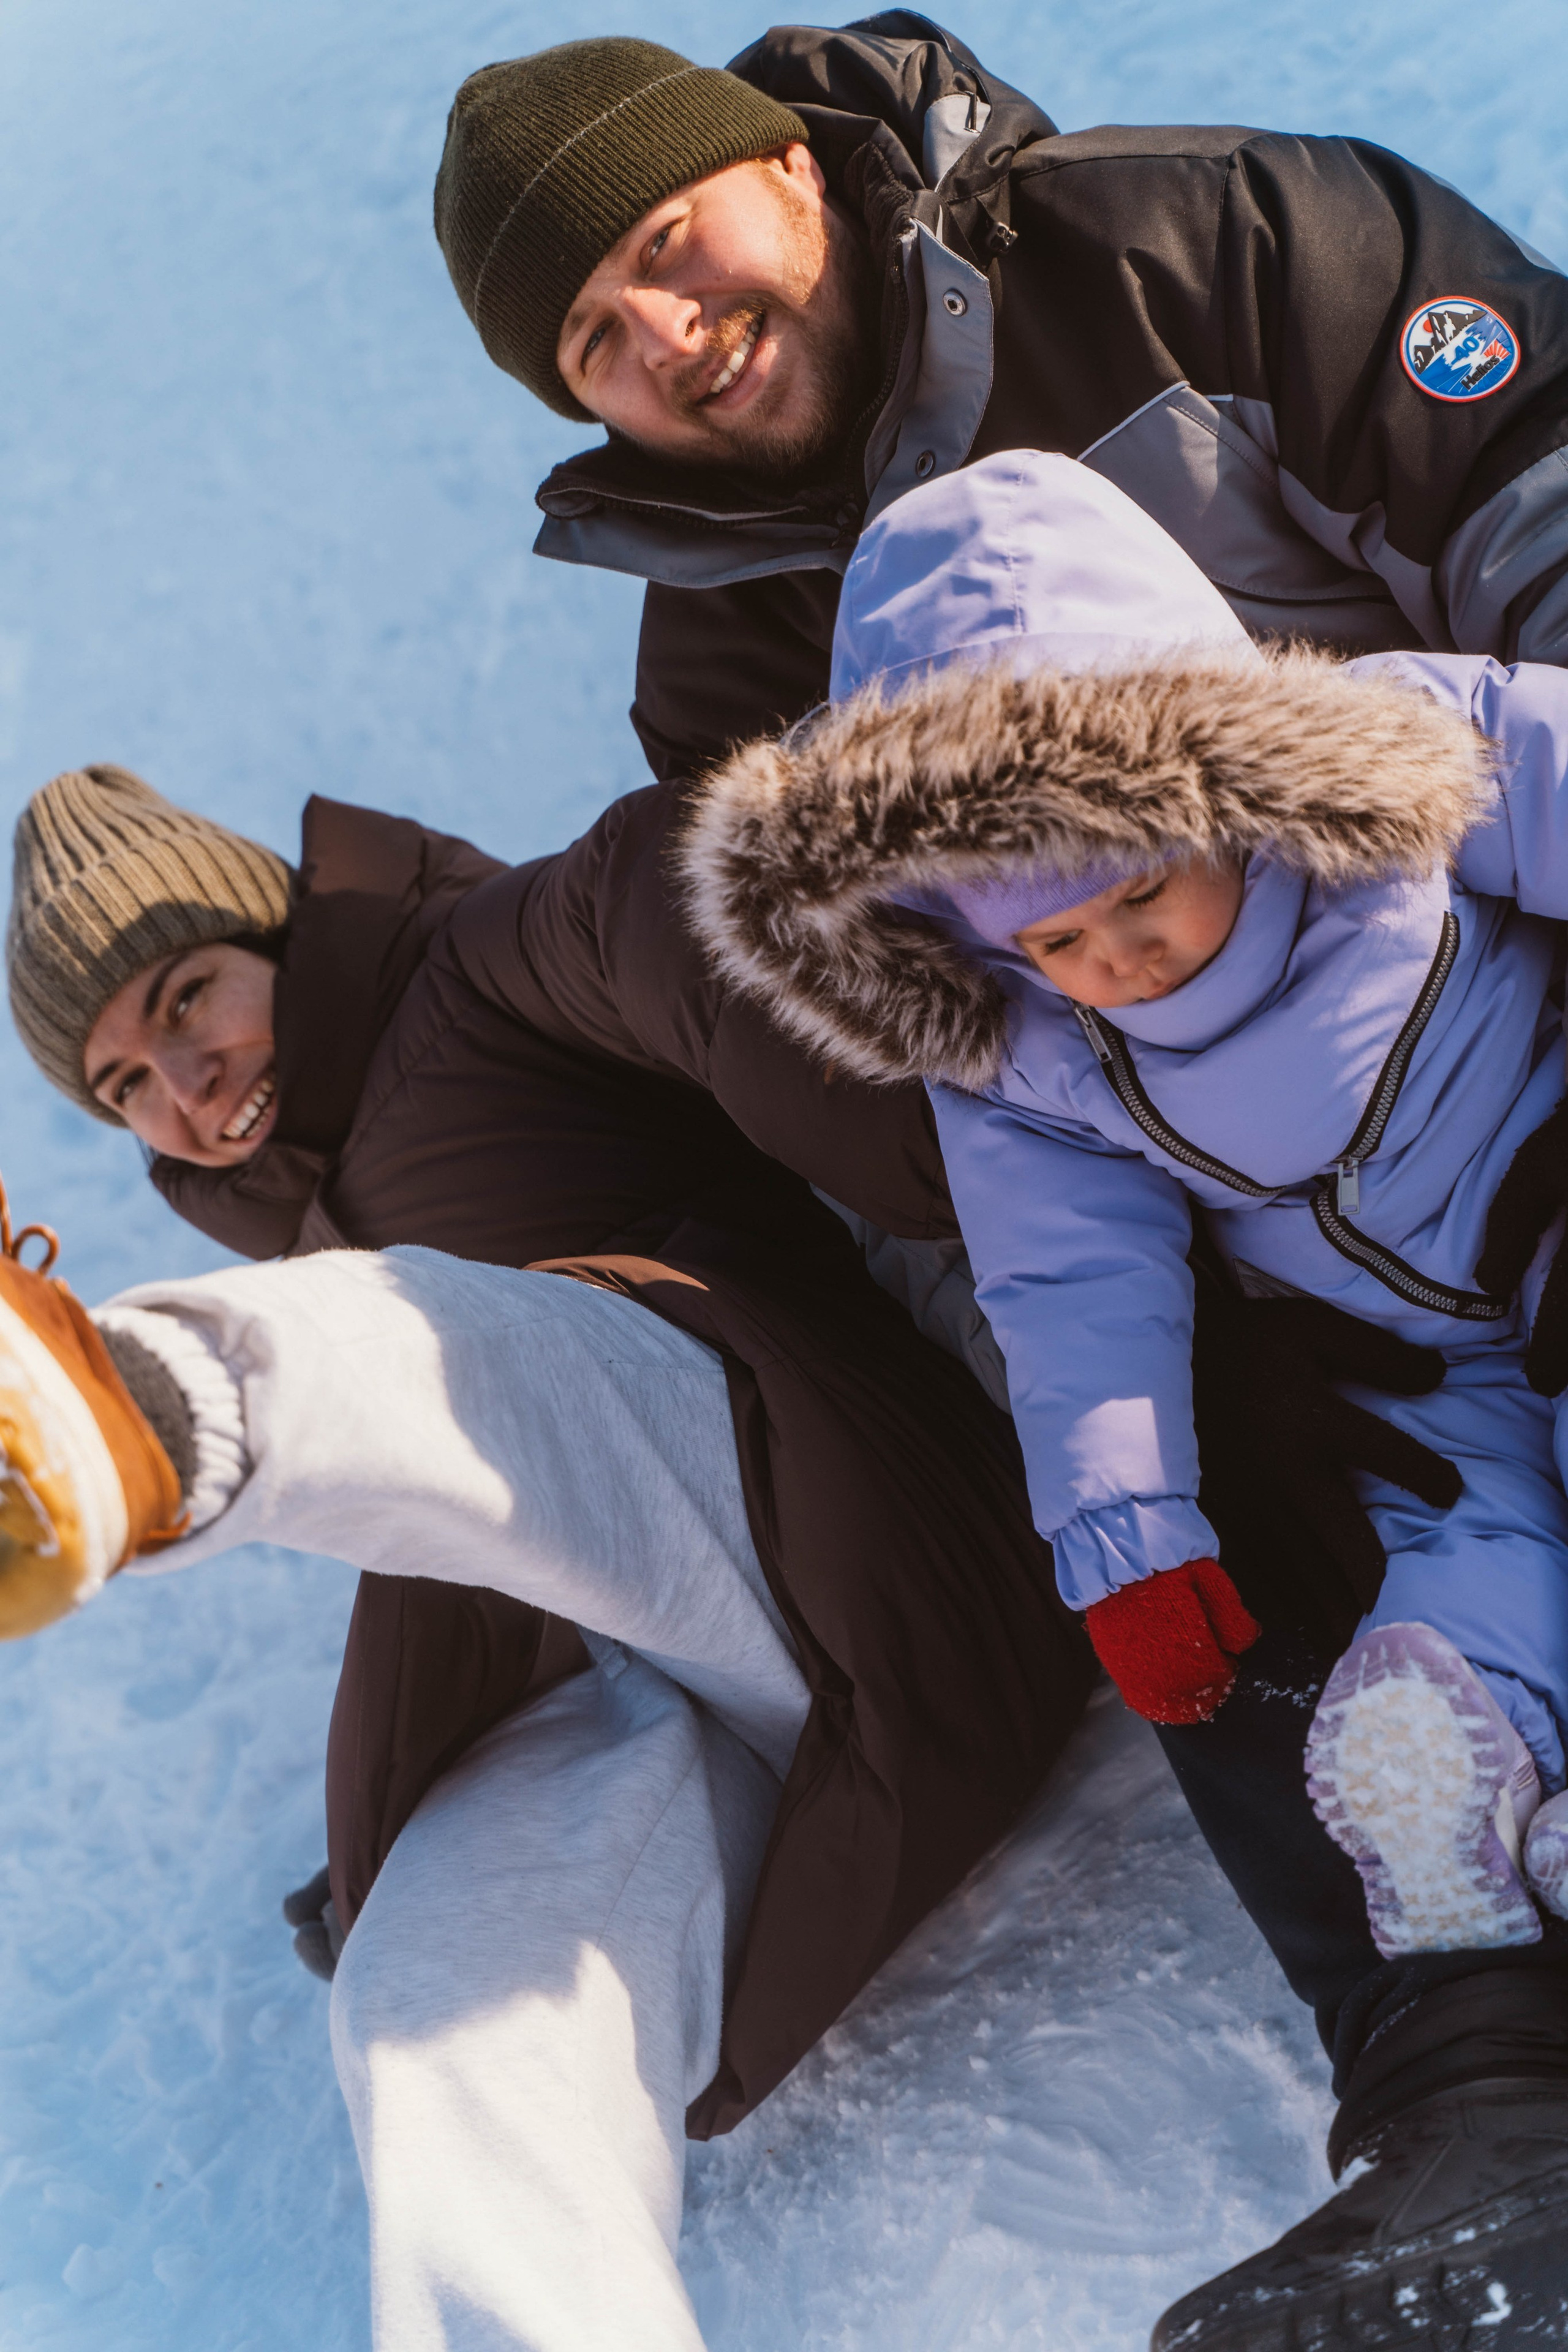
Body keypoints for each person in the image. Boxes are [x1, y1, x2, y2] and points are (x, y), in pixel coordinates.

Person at [5, 760, 1465, 2350]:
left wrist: (946, 1157)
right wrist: (392, 1824)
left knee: (476, 1336)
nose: (183, 1086)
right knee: (437, 2014)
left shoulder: (477, 958)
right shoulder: (305, 1217)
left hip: (860, 1512)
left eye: (188, 995)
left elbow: (662, 890)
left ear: (274, 926)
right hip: (683, 1679)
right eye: (125, 1081)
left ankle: (157, 1405)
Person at [682, 447, 1568, 2345]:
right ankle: (1470, 1808)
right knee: (1462, 1554)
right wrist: (1129, 1537)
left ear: (1220, 782)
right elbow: (1069, 1289)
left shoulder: (1404, 761)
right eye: (1047, 946)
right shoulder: (1022, 1048)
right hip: (1416, 1355)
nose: (1110, 966)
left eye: (1135, 902)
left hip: (1555, 1184)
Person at [432, 19, 1568, 797]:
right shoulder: (719, 691)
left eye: (666, 240)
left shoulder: (1206, 241)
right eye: (595, 342)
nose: (669, 336)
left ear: (792, 165)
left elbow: (1535, 500)